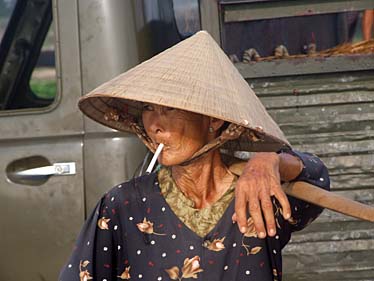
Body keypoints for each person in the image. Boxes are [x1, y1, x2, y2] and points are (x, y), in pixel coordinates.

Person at [59, 31, 329, 281]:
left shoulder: (259, 192)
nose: (154, 125)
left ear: (212, 120)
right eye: (149, 108)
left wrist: (271, 160)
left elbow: (318, 180)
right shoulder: (123, 205)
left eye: (170, 109)